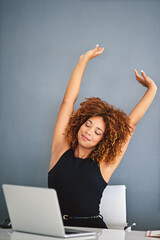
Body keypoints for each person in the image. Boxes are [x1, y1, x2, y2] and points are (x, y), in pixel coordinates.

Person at [48, 44, 157, 229]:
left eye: (97, 132)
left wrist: (152, 89)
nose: (88, 132)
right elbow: (68, 102)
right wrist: (83, 60)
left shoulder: (105, 163)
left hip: (93, 231)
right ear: (79, 124)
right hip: (54, 228)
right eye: (87, 124)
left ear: (103, 140)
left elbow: (130, 124)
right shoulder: (60, 149)